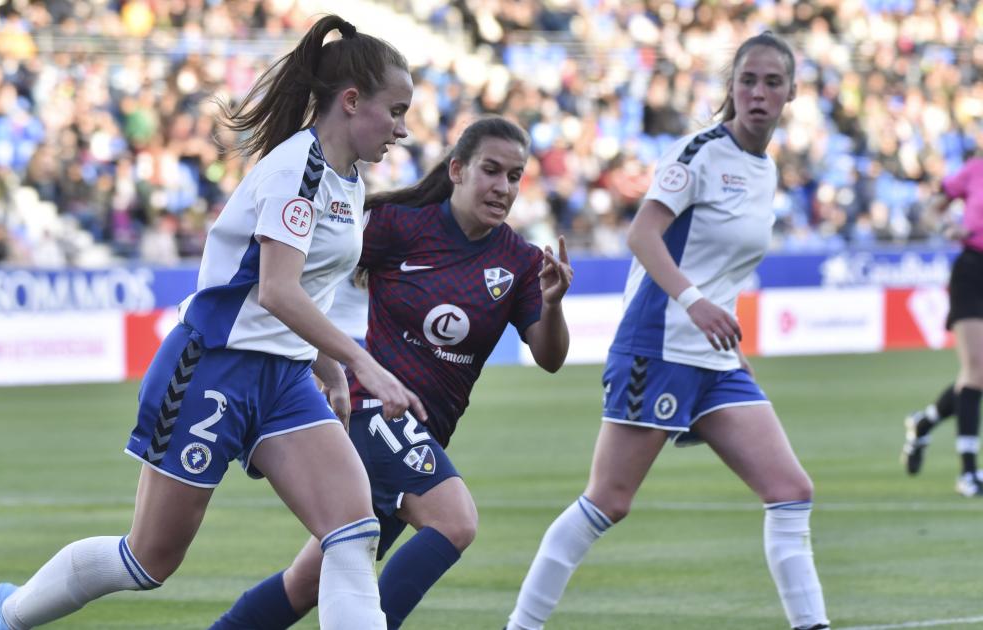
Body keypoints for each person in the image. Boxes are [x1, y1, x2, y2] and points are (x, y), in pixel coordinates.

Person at [0, 15, 425, 630]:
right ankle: (7, 613)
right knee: (149, 559)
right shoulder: (300, 172)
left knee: (351, 533)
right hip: (212, 366)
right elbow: (274, 290)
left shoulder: (347, 179)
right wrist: (360, 361)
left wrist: (330, 369)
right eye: (396, 111)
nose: (402, 130)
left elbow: (300, 294)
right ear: (351, 102)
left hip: (285, 378)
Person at [505, 32, 830, 630]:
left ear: (791, 93)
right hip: (658, 345)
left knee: (790, 490)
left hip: (714, 359)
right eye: (748, 80)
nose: (759, 92)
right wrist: (696, 302)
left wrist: (731, 344)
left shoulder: (765, 170)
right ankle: (520, 627)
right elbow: (642, 236)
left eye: (772, 82)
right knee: (609, 500)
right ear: (732, 87)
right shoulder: (699, 152)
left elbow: (719, 267)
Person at [208, 116, 572, 629]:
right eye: (491, 170)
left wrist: (553, 305)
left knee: (306, 583)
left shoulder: (520, 262)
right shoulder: (398, 225)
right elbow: (296, 276)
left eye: (515, 176)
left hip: (424, 431)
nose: (503, 187)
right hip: (374, 410)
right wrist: (321, 359)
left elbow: (550, 357)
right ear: (458, 170)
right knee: (455, 521)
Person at [900, 156, 983, 497]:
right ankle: (967, 473)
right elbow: (932, 210)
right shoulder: (975, 169)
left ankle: (924, 422)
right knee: (976, 371)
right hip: (973, 272)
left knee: (976, 375)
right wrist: (949, 228)